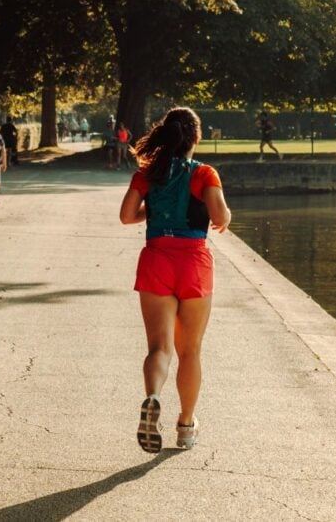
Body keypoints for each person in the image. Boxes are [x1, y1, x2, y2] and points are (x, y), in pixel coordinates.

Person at [119, 107, 231, 453]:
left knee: (159, 348)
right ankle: (185, 425)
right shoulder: (205, 174)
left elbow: (126, 216)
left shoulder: (147, 174)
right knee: (190, 350)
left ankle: (153, 395)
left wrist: (150, 214)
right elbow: (219, 216)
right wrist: (225, 215)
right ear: (195, 138)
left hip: (156, 260)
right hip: (194, 263)